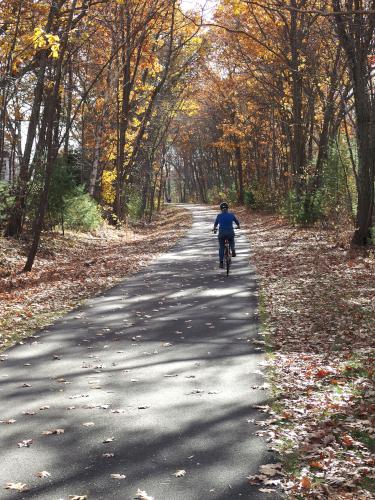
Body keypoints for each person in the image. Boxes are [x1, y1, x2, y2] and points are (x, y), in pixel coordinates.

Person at [213, 202, 240, 268]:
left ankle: (221, 262)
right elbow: (236, 221)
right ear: (227, 208)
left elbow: (215, 224)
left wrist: (214, 229)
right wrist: (238, 226)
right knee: (231, 240)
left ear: (221, 209)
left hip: (222, 233)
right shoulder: (231, 215)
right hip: (230, 232)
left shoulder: (219, 216)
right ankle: (233, 249)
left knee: (221, 247)